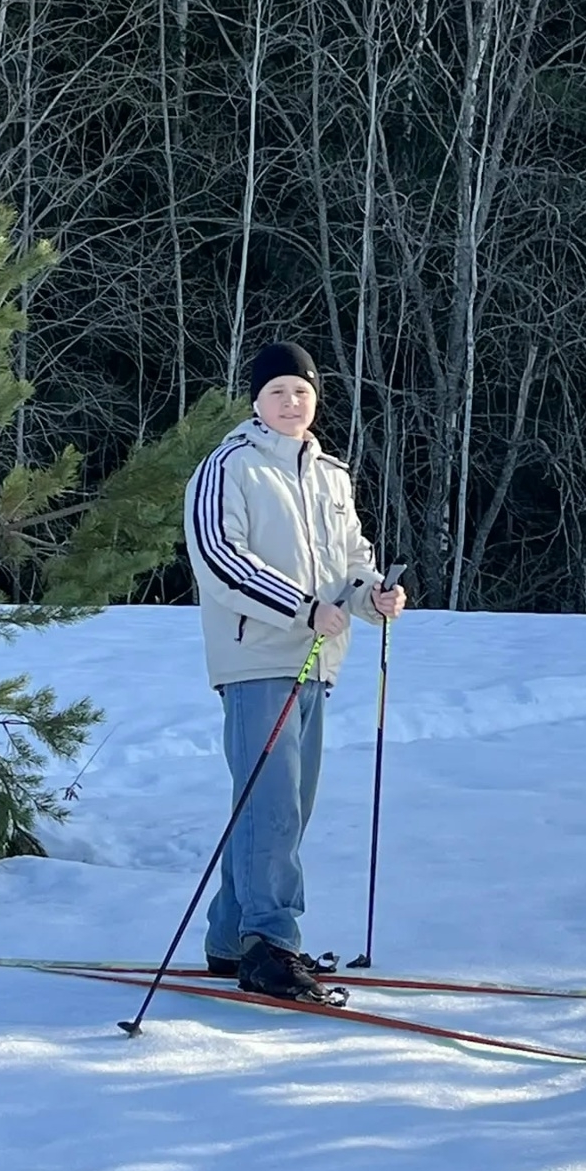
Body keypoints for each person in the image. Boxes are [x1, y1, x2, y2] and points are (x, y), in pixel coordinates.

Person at [183, 342, 406, 1003]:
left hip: (317, 664)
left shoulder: (331, 475)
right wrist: (301, 608)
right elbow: (220, 559)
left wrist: (373, 597)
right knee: (272, 804)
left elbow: (352, 560)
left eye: (302, 392)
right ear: (256, 399)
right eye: (278, 391)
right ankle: (272, 943)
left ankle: (232, 940)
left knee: (284, 807)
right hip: (257, 659)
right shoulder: (229, 467)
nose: (291, 402)